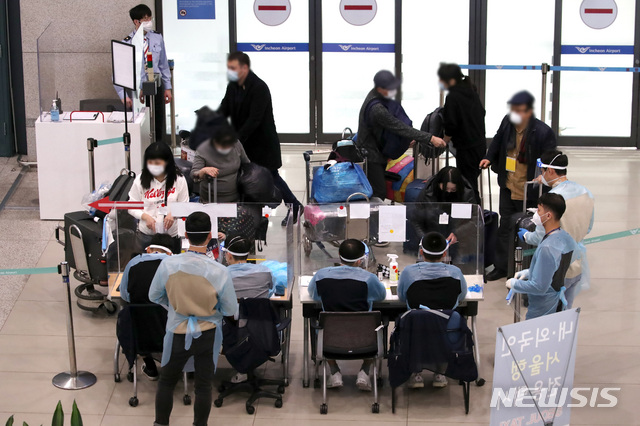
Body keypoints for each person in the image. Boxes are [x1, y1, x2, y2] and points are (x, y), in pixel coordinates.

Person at [149, 212, 239, 426]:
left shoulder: (168, 265)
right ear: (210, 236)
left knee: (167, 381)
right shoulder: (219, 271)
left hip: (176, 331)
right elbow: (230, 309)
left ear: (185, 235)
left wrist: (175, 306)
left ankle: (161, 423)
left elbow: (154, 295)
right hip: (207, 334)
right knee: (204, 386)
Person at [217, 51, 302, 225]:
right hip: (244, 143)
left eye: (233, 68)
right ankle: (248, 215)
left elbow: (254, 120)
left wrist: (235, 140)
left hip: (262, 144)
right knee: (248, 177)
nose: (230, 72)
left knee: (270, 176)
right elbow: (224, 107)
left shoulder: (259, 87)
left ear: (245, 68)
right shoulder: (233, 86)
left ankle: (295, 205)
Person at [480, 91, 557, 281]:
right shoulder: (507, 122)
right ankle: (501, 266)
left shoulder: (543, 132)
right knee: (505, 226)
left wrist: (542, 177)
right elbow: (498, 140)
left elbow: (550, 160)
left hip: (530, 190)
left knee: (531, 228)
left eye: (520, 111)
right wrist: (489, 157)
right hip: (508, 185)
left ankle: (530, 268)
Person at [308, 239, 386, 391]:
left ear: (339, 255)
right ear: (361, 259)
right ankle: (364, 372)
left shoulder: (321, 275)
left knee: (323, 327)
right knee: (375, 326)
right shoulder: (369, 278)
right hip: (364, 339)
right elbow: (381, 296)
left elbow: (314, 295)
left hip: (331, 338)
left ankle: (334, 372)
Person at [519, 150, 594, 308]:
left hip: (555, 268)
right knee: (566, 314)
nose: (541, 175)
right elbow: (589, 227)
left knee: (548, 319)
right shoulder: (585, 192)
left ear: (550, 171)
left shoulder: (552, 201)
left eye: (543, 171)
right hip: (577, 263)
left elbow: (540, 236)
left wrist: (526, 236)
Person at [357, 70, 446, 200]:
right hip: (371, 155)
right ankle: (374, 219)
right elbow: (399, 127)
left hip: (377, 150)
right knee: (379, 193)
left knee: (378, 191)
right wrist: (430, 138)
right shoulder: (377, 109)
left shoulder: (376, 95)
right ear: (380, 88)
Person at [398, 232, 468, 389]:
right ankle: (440, 372)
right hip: (447, 331)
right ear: (445, 253)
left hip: (416, 330)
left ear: (421, 252)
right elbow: (462, 295)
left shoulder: (409, 272)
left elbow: (402, 297)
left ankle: (416, 373)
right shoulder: (455, 273)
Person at [506, 193, 577, 320]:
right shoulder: (565, 237)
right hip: (556, 302)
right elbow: (557, 266)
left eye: (539, 210)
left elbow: (539, 287)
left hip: (543, 308)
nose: (536, 214)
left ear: (548, 215)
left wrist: (514, 284)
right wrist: (531, 272)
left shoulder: (547, 247)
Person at [119, 233, 174, 380]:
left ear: (148, 249)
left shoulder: (133, 264)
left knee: (138, 319)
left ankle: (150, 366)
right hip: (171, 330)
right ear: (170, 253)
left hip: (139, 331)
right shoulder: (175, 266)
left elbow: (125, 296)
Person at [115, 4, 172, 141]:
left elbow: (163, 64)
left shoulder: (157, 37)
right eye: (145, 19)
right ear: (136, 21)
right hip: (138, 90)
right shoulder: (128, 43)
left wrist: (168, 87)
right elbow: (119, 72)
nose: (149, 21)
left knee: (158, 121)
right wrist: (123, 96)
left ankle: (159, 150)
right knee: (143, 124)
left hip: (156, 85)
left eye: (149, 17)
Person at [128, 142, 189, 254]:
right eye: (150, 162)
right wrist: (145, 216)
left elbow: (185, 204)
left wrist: (173, 214)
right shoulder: (140, 180)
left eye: (157, 163)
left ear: (167, 162)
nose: (153, 166)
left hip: (171, 236)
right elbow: (131, 207)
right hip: (147, 236)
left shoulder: (179, 179)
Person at [438, 63, 486, 203]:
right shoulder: (470, 91)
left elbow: (451, 123)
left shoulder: (453, 96)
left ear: (450, 80)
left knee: (467, 184)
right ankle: (475, 215)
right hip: (479, 145)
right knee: (471, 181)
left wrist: (444, 140)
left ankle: (472, 217)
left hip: (467, 147)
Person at [191, 125, 250, 203]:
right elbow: (193, 174)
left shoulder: (236, 144)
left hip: (234, 198)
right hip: (209, 200)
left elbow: (247, 165)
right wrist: (203, 171)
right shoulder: (203, 149)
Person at [225, 235, 276, 299]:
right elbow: (272, 291)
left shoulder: (221, 276)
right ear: (248, 254)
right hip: (259, 308)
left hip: (231, 309)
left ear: (229, 255)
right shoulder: (265, 272)